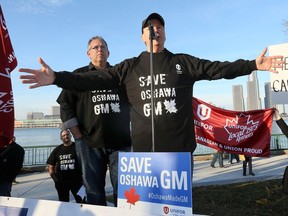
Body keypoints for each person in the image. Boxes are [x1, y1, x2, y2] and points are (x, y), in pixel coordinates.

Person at [19, 13, 284, 169]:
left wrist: (252, 65)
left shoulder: (182, 62)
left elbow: (217, 69)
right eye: (149, 28)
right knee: (145, 207)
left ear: (165, 33)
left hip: (179, 154)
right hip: (143, 156)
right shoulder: (130, 67)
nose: (154, 31)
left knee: (177, 209)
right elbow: (93, 79)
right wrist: (57, 78)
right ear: (142, 37)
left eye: (159, 27)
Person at [56, 36, 131, 206]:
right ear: (88, 53)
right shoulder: (79, 75)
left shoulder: (120, 75)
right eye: (95, 47)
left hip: (121, 144)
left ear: (108, 52)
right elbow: (65, 103)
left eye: (102, 46)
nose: (99, 49)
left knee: (125, 191)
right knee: (94, 192)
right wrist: (77, 135)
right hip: (89, 144)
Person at [46, 129, 83, 203]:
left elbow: (85, 163)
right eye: (63, 135)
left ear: (71, 135)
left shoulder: (78, 147)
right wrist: (56, 180)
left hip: (77, 181)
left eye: (67, 134)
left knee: (82, 201)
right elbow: (51, 166)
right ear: (61, 138)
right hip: (62, 182)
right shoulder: (57, 150)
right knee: (63, 203)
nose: (66, 136)